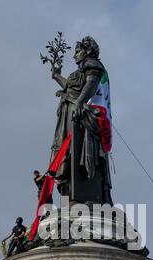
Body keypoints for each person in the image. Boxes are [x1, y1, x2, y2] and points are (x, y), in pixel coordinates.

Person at [49, 36, 113, 204]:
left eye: (77, 51)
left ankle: (82, 191)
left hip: (78, 113)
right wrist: (56, 76)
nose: (74, 55)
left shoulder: (92, 65)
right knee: (64, 148)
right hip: (68, 112)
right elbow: (69, 87)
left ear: (87, 51)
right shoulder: (79, 71)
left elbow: (91, 85)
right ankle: (67, 190)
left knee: (73, 149)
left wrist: (78, 102)